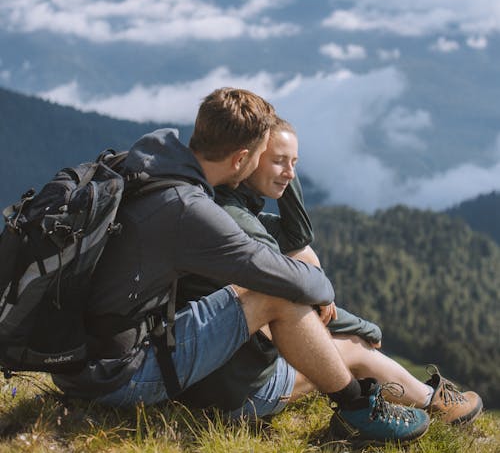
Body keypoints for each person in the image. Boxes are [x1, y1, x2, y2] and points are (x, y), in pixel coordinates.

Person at [51, 87, 431, 447]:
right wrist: (320, 282)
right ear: (240, 160)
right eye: (262, 155)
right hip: (121, 378)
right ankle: (357, 409)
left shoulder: (149, 164)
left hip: (80, 362)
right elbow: (280, 278)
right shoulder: (190, 211)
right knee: (274, 295)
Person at [177, 117, 483, 429]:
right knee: (355, 348)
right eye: (278, 161)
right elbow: (292, 292)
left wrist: (281, 162)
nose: (291, 172)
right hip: (231, 392)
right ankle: (435, 404)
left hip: (211, 365)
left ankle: (420, 395)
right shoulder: (238, 223)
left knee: (303, 258)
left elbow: (298, 237)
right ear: (248, 159)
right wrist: (365, 327)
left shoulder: (228, 203)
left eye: (295, 162)